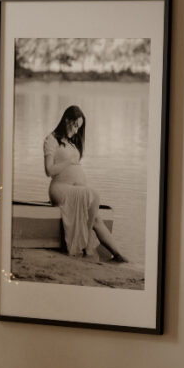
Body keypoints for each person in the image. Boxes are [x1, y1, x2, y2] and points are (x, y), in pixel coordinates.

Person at [43, 106, 127, 262]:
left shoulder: (71, 143)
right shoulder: (51, 140)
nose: (76, 131)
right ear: (67, 120)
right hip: (59, 189)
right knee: (94, 195)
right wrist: (69, 162)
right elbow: (49, 171)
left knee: (96, 219)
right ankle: (87, 242)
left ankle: (119, 255)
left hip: (76, 192)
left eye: (79, 128)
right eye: (75, 126)